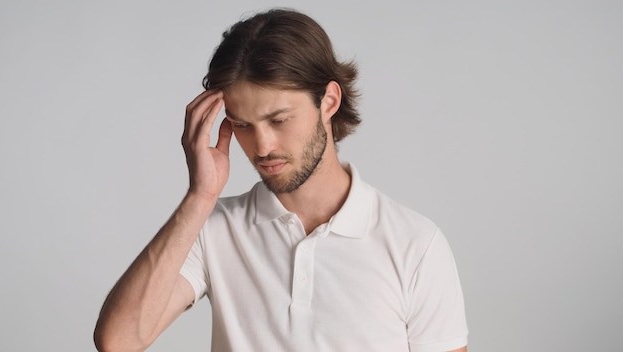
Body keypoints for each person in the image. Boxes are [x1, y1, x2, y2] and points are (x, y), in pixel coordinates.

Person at [94, 8, 468, 352]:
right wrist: (200, 196)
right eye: (242, 125)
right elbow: (119, 341)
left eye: (278, 120)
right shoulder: (213, 229)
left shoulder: (415, 244)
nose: (262, 146)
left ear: (329, 101)